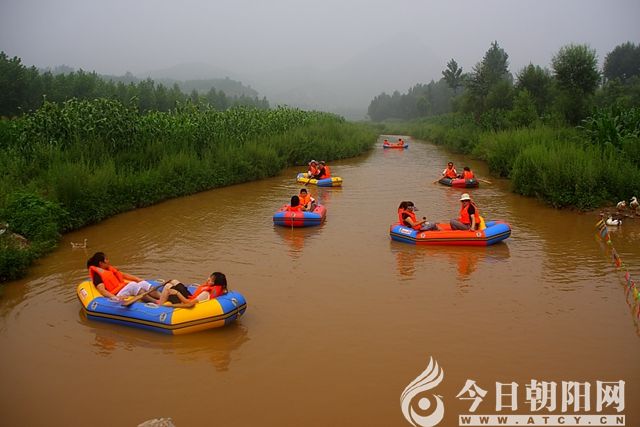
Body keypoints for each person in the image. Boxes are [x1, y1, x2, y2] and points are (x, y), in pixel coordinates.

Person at [86, 252, 161, 302]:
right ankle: (156, 302)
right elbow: (102, 290)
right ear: (101, 263)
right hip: (116, 294)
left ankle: (162, 297)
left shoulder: (108, 269)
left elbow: (123, 275)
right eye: (106, 259)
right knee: (133, 285)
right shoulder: (97, 276)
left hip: (121, 288)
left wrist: (138, 279)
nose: (108, 260)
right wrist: (116, 298)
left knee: (143, 283)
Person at [155, 272, 229, 306]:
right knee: (174, 281)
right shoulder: (220, 289)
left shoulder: (205, 293)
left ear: (213, 283)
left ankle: (160, 306)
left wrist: (177, 293)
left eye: (210, 279)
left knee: (168, 286)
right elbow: (224, 290)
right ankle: (159, 295)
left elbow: (189, 303)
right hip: (191, 297)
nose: (208, 279)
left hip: (185, 301)